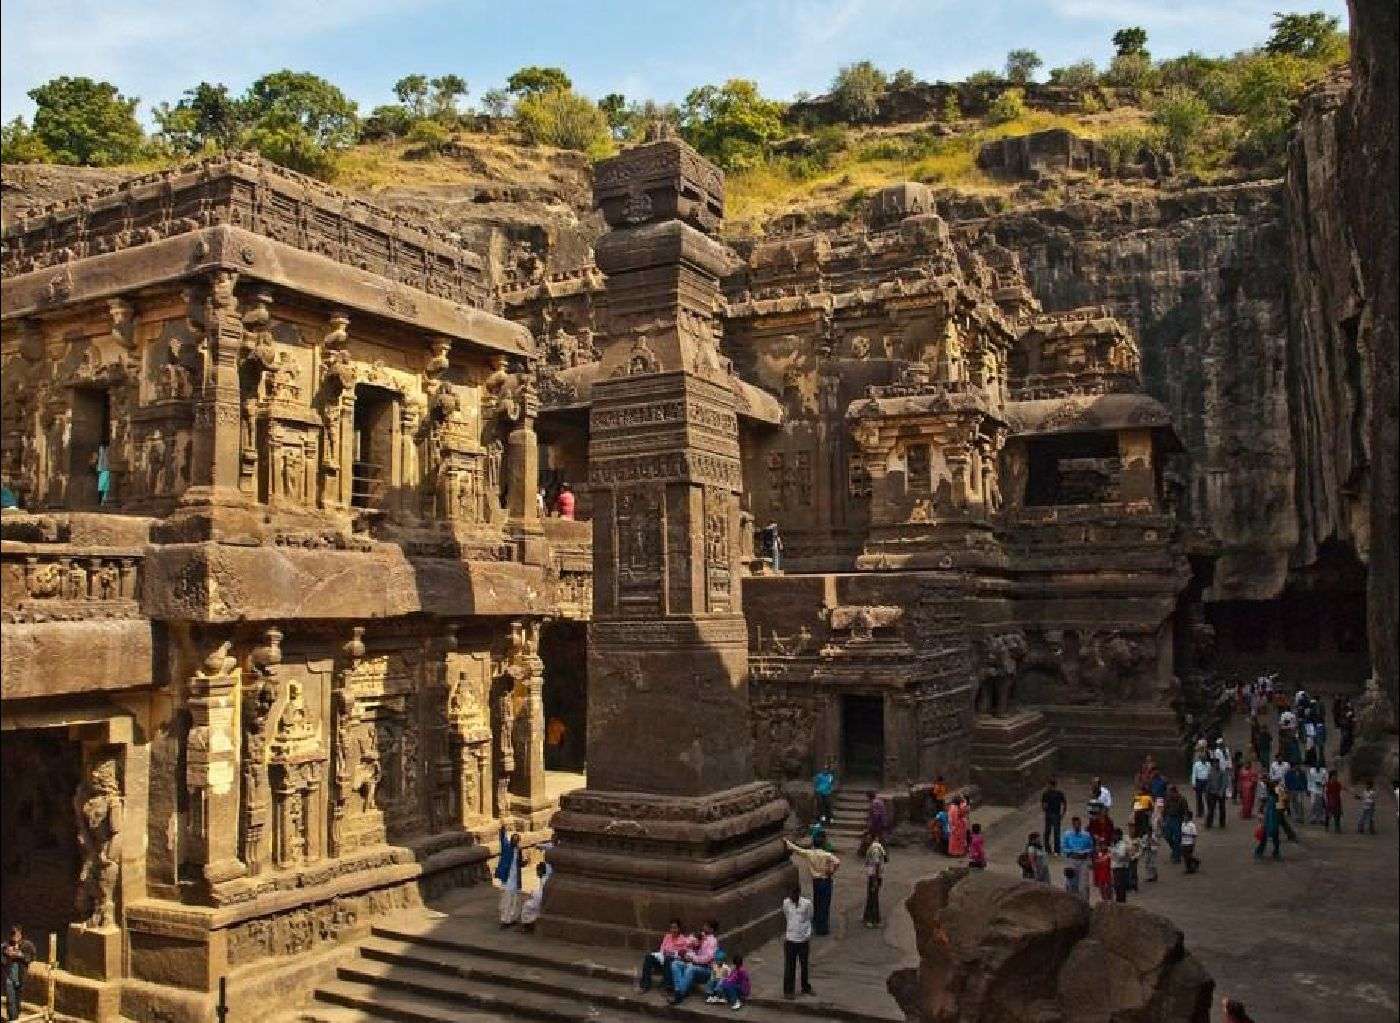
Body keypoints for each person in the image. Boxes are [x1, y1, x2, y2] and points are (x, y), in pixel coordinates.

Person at [784, 837, 840, 936]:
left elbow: (797, 849)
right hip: (825, 879)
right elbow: (837, 862)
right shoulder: (826, 855)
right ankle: (823, 927)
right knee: (825, 903)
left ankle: (817, 925)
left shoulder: (810, 853)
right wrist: (831, 870)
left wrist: (787, 842)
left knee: (817, 902)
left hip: (816, 881)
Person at [669, 920, 719, 1005]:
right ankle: (679, 990)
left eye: (706, 926)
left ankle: (680, 995)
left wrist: (693, 958)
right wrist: (693, 944)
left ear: (711, 930)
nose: (704, 927)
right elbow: (689, 946)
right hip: (695, 964)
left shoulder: (712, 941)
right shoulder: (701, 937)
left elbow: (707, 958)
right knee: (675, 964)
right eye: (704, 925)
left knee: (690, 968)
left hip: (706, 970)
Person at [637, 919, 689, 992]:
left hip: (673, 961)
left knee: (668, 959)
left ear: (679, 929)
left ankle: (667, 985)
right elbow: (662, 948)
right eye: (671, 928)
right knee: (648, 957)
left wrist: (671, 953)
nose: (673, 930)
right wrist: (662, 954)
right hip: (662, 958)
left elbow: (682, 953)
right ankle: (645, 984)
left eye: (675, 928)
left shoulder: (683, 940)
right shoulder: (667, 936)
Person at [781, 888, 815, 999]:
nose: (792, 896)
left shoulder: (807, 904)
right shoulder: (786, 903)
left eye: (794, 894)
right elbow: (787, 916)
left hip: (803, 939)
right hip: (790, 939)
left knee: (804, 965)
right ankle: (788, 990)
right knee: (790, 966)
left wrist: (806, 933)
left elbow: (809, 916)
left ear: (798, 893)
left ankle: (805, 986)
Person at [2, 926, 36, 1023]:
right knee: (10, 1000)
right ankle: (12, 1019)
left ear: (20, 934)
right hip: (9, 976)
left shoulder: (27, 945)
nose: (14, 936)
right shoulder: (6, 945)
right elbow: (2, 954)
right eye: (12, 934)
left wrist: (22, 955)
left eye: (16, 934)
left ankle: (16, 1017)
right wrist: (6, 952)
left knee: (18, 1000)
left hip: (21, 976)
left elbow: (32, 957)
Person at [496, 827, 526, 926]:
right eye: (514, 840)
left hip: (515, 879)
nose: (515, 842)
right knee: (506, 900)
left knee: (514, 900)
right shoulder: (506, 847)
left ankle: (512, 918)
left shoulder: (519, 850)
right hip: (507, 878)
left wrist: (524, 863)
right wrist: (503, 831)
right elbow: (502, 839)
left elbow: (519, 863)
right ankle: (505, 920)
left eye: (516, 840)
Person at [1062, 816, 1094, 901]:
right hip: (1072, 860)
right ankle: (1071, 902)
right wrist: (1071, 852)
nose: (1077, 826)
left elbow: (1091, 847)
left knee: (1084, 884)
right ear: (1072, 824)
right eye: (1075, 824)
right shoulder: (1067, 835)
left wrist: (1085, 853)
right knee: (1071, 883)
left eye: (1078, 824)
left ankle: (1085, 903)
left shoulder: (1086, 835)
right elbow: (1064, 847)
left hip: (1083, 860)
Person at [861, 832, 889, 927]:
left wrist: (875, 880)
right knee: (871, 896)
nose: (865, 840)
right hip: (874, 875)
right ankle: (867, 917)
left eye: (867, 838)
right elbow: (885, 859)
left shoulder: (875, 848)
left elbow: (876, 864)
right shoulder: (877, 846)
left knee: (873, 897)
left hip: (874, 876)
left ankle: (873, 920)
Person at [520, 861, 550, 932]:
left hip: (541, 900)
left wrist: (532, 894)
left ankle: (527, 926)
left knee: (527, 906)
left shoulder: (544, 879)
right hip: (541, 899)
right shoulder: (545, 878)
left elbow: (540, 894)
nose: (537, 873)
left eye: (538, 871)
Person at [1255, 784, 1282, 861]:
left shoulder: (1272, 799)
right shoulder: (1272, 799)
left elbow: (1280, 811)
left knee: (1271, 839)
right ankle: (1273, 852)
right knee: (1272, 838)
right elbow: (1280, 811)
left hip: (1270, 821)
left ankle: (1262, 852)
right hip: (1269, 822)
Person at [1041, 778, 1066, 856]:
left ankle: (1048, 849)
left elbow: (1044, 805)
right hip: (1056, 814)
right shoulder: (1059, 793)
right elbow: (1064, 803)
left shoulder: (1046, 793)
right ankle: (1057, 850)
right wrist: (1063, 813)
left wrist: (1045, 810)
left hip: (1049, 814)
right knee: (1056, 833)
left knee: (1047, 832)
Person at [1162, 785, 1187, 862]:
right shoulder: (1167, 799)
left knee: (1177, 838)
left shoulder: (1182, 799)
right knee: (1167, 836)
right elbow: (1165, 809)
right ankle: (1177, 850)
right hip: (1169, 819)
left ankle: (1176, 856)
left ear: (1174, 792)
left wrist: (1185, 821)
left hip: (1177, 819)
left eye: (1170, 792)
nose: (1169, 794)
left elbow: (1185, 810)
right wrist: (1163, 819)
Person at [1109, 828, 1133, 903]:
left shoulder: (1122, 844)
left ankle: (1121, 903)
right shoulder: (1114, 844)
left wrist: (1113, 852)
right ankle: (1119, 902)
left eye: (1115, 835)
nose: (1113, 836)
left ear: (1119, 835)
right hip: (1115, 867)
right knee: (1117, 887)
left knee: (1120, 887)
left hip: (1121, 868)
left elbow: (1121, 856)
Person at [1205, 758, 1228, 829]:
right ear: (1213, 764)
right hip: (1212, 793)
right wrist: (1207, 792)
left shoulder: (1223, 772)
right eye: (1214, 763)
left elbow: (1224, 783)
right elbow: (1208, 783)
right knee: (1211, 809)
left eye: (1217, 763)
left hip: (1220, 793)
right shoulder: (1210, 772)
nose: (1216, 765)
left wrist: (1221, 792)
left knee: (1222, 809)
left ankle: (1222, 823)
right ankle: (1209, 823)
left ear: (1219, 764)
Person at [1307, 761, 1329, 825]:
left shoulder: (1324, 771)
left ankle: (1321, 818)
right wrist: (1308, 789)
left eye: (1319, 765)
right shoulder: (1311, 770)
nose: (1317, 766)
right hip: (1313, 790)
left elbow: (1326, 779)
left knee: (1321, 805)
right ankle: (1313, 818)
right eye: (1316, 765)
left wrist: (1322, 783)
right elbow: (1309, 780)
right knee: (1313, 804)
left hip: (1322, 790)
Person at [1191, 752, 1211, 818]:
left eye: (1205, 758)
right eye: (1203, 758)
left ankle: (1210, 811)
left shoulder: (1208, 764)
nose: (1204, 759)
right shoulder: (1196, 764)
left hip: (1206, 782)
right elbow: (1194, 774)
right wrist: (1194, 784)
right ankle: (1199, 812)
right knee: (1199, 797)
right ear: (1200, 758)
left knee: (1208, 797)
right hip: (1199, 781)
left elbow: (1210, 774)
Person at [1324, 769, 1344, 833]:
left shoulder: (1338, 784)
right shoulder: (1327, 784)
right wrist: (1326, 801)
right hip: (1329, 801)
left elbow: (1341, 792)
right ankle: (1326, 826)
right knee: (1328, 815)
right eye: (1334, 776)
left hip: (1337, 800)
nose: (1335, 777)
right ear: (1331, 776)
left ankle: (1337, 828)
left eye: (1336, 776)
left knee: (1337, 815)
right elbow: (1325, 793)